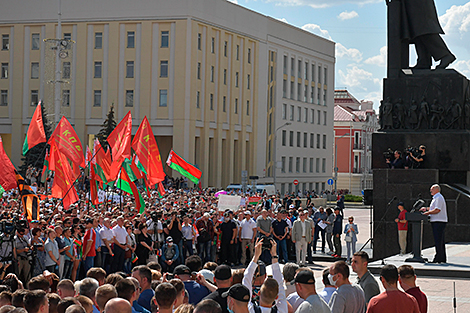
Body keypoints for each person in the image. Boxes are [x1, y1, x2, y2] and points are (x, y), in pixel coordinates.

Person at [242, 238, 288, 313]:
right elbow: (280, 282)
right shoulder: (281, 310)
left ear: (259, 293)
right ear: (276, 297)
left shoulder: (250, 310)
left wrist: (256, 256)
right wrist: (274, 255)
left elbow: (246, 279)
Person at [420, 184, 448, 263]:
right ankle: (441, 258)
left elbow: (437, 210)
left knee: (438, 240)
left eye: (432, 189)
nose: (430, 191)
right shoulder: (436, 198)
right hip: (437, 221)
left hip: (438, 221)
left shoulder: (438, 197)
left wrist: (427, 213)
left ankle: (438, 258)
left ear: (437, 189)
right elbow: (434, 208)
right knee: (439, 240)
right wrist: (426, 209)